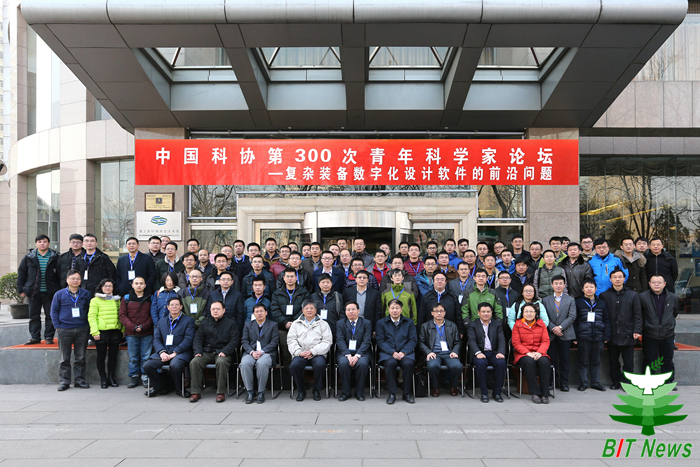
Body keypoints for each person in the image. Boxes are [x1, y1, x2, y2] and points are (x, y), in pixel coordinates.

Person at [144, 297, 196, 398]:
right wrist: (162, 352)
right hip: (164, 353)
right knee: (148, 365)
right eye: (172, 305)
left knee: (175, 365)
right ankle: (161, 387)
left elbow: (188, 339)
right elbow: (156, 339)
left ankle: (179, 389)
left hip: (181, 353)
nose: (174, 307)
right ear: (168, 307)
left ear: (181, 307)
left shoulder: (188, 320)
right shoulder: (162, 321)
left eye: (177, 305)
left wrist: (175, 352)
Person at [189, 301, 240, 403]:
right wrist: (198, 351)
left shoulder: (231, 323)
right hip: (207, 351)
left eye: (218, 309)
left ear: (223, 310)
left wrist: (225, 351)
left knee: (221, 362)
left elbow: (234, 341)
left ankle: (220, 392)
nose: (215, 311)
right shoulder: (205, 323)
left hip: (223, 352)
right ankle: (195, 392)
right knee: (195, 362)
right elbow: (198, 339)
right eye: (213, 309)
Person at [601, 268, 642, 389]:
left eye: (620, 277)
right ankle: (615, 382)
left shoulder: (633, 295)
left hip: (628, 332)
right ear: (610, 279)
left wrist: (637, 330)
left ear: (624, 279)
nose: (617, 279)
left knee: (628, 361)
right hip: (612, 333)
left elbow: (638, 314)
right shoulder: (604, 296)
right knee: (613, 361)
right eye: (614, 277)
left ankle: (627, 382)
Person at [50, 270, 92, 391]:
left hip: (82, 328)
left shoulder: (85, 293)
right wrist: (57, 326)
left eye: (78, 279)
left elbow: (90, 309)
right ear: (67, 280)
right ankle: (64, 381)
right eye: (72, 278)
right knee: (64, 358)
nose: (75, 281)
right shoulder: (59, 294)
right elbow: (53, 311)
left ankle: (79, 380)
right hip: (65, 329)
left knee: (80, 357)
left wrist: (88, 326)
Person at [18, 234, 60, 345]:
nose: (42, 244)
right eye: (40, 242)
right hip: (33, 292)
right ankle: (35, 337)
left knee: (50, 315)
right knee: (33, 316)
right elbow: (22, 273)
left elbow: (60, 274)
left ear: (48, 243)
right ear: (36, 244)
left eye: (44, 242)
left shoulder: (55, 257)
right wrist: (21, 289)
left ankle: (49, 337)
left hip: (51, 292)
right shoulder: (29, 257)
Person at [270, 268, 311, 380]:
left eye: (292, 276)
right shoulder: (277, 293)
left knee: (300, 354)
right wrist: (285, 322)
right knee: (287, 354)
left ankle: (300, 381)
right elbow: (275, 310)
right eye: (287, 276)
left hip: (300, 327)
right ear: (283, 278)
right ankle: (289, 381)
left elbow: (306, 309)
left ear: (296, 278)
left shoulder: (304, 291)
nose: (290, 279)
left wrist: (294, 322)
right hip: (283, 328)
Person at [288, 301, 333, 401]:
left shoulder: (323, 324)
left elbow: (327, 341)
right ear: (302, 310)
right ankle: (301, 390)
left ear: (315, 310)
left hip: (317, 353)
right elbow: (291, 340)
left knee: (320, 365)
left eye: (311, 308)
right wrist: (299, 352)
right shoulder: (295, 324)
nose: (309, 310)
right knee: (294, 365)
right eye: (306, 308)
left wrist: (313, 351)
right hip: (301, 353)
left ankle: (316, 390)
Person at [376, 299, 418, 404]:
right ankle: (392, 394)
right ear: (388, 309)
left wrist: (404, 352)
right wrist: (392, 352)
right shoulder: (381, 323)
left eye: (397, 308)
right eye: (392, 308)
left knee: (408, 364)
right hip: (388, 353)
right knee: (390, 363)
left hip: (405, 353)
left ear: (401, 309)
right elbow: (380, 341)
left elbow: (413, 340)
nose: (395, 310)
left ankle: (406, 393)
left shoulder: (409, 322)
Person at [639, 275, 680, 383]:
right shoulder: (642, 297)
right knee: (649, 360)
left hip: (667, 334)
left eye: (659, 282)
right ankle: (649, 383)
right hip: (650, 333)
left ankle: (668, 382)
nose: (656, 284)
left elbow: (674, 313)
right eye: (653, 282)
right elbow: (640, 315)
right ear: (649, 284)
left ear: (664, 284)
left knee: (667, 360)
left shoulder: (673, 297)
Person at [541, 275, 576, 392]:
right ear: (552, 285)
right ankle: (553, 382)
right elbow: (544, 316)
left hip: (565, 334)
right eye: (556, 283)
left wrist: (560, 328)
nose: (558, 285)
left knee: (565, 360)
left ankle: (564, 383)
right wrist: (553, 328)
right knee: (552, 359)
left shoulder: (570, 300)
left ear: (564, 285)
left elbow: (572, 316)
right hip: (550, 334)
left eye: (561, 283)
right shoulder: (545, 300)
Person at [574, 280, 610, 391]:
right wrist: (575, 337)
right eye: (586, 287)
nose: (589, 289)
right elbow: (575, 321)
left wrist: (606, 336)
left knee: (596, 361)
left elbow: (606, 320)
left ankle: (596, 382)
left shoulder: (602, 303)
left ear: (595, 289)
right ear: (583, 289)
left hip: (598, 336)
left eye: (591, 287)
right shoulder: (578, 302)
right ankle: (583, 383)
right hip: (583, 337)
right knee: (583, 361)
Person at [419, 304, 462, 397]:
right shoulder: (425, 326)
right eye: (436, 311)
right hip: (434, 353)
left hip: (449, 353)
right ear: (432, 313)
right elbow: (421, 342)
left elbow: (457, 342)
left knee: (457, 366)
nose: (439, 313)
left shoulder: (452, 325)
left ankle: (454, 386)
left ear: (445, 313)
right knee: (433, 366)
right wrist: (428, 352)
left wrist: (454, 351)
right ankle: (435, 387)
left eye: (441, 311)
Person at [511, 303, 551, 404]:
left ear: (536, 313)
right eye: (526, 311)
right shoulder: (517, 325)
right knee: (529, 362)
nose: (529, 313)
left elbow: (545, 341)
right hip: (523, 354)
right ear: (522, 313)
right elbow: (516, 342)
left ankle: (545, 394)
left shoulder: (541, 324)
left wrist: (540, 352)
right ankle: (534, 393)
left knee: (545, 362)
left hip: (539, 352)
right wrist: (527, 353)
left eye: (531, 311)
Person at [119, 276, 154, 389]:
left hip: (146, 332)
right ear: (132, 285)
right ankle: (133, 376)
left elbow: (152, 315)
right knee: (133, 357)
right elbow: (122, 315)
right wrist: (133, 327)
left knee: (146, 357)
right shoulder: (126, 298)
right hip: (131, 333)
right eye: (136, 283)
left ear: (145, 285)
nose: (139, 285)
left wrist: (143, 327)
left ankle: (145, 376)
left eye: (141, 283)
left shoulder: (150, 298)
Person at [241, 303, 280, 404]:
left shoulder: (273, 325)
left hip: (267, 352)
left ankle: (261, 392)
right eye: (257, 312)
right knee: (245, 363)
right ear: (253, 314)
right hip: (251, 352)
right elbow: (244, 341)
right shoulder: (248, 325)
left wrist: (262, 351)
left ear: (266, 312)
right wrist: (252, 352)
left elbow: (274, 342)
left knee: (262, 363)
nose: (259, 313)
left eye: (261, 311)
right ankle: (250, 391)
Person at [468, 302, 506, 403]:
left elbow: (501, 340)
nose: (486, 314)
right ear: (478, 313)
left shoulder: (497, 324)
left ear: (491, 312)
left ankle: (497, 393)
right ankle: (484, 393)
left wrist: (501, 352)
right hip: (479, 353)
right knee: (481, 364)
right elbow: (471, 341)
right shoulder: (473, 324)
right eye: (483, 311)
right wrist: (477, 352)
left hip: (493, 353)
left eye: (488, 311)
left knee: (501, 363)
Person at [88, 278, 123, 388]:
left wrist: (122, 330)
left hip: (115, 331)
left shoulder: (117, 300)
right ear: (101, 287)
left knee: (113, 356)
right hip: (101, 332)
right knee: (101, 357)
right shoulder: (95, 300)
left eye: (110, 286)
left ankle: (111, 378)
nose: (108, 288)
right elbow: (92, 317)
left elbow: (121, 316)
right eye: (105, 286)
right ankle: (103, 378)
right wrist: (94, 332)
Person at [336, 301, 373, 401]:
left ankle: (359, 392)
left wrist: (357, 355)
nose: (351, 311)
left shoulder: (366, 323)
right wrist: (348, 355)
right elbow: (340, 340)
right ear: (345, 312)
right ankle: (346, 392)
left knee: (362, 364)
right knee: (343, 363)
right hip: (345, 352)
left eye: (353, 309)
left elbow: (366, 341)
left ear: (358, 311)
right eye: (348, 310)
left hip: (362, 352)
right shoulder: (340, 323)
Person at [419, 272, 463, 337]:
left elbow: (458, 314)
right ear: (433, 282)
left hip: (449, 330)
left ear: (446, 282)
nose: (439, 281)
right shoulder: (427, 297)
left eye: (442, 279)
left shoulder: (452, 296)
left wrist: (460, 330)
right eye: (437, 279)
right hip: (430, 331)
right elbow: (421, 316)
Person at [310, 273, 343, 339]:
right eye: (323, 282)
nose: (325, 284)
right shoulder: (313, 297)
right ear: (319, 284)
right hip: (316, 329)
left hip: (333, 328)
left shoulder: (338, 296)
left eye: (328, 282)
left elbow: (342, 313)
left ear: (331, 283)